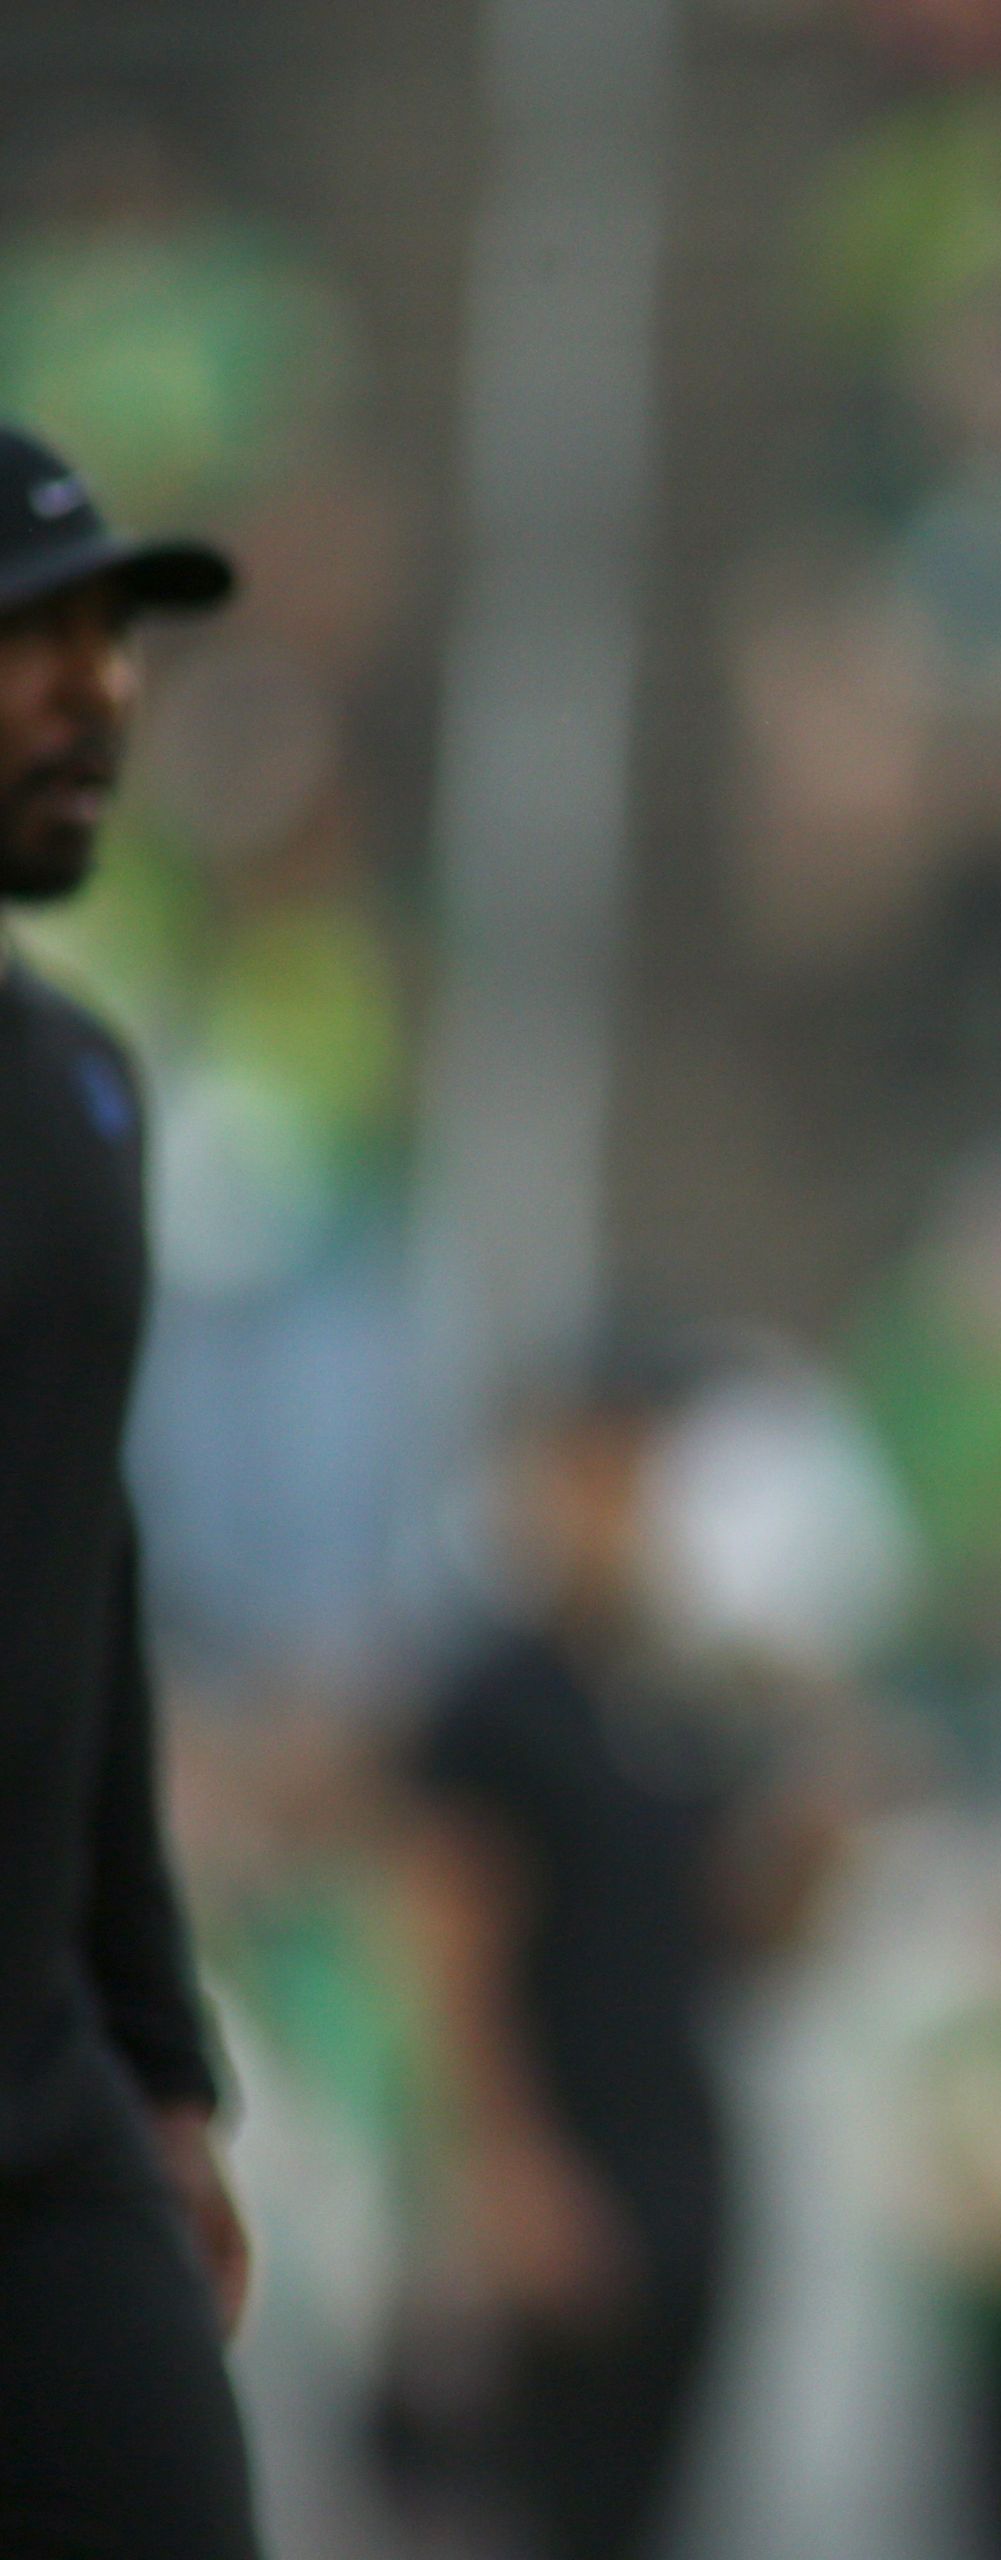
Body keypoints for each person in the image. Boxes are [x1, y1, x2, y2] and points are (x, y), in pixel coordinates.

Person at [0, 424, 260, 2560]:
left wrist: (162, 2065)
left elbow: (86, 1581)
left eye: (114, 640)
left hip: (34, 2087)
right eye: (32, 636)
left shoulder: (80, 1084)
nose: (99, 689)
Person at [398, 1352, 845, 2560]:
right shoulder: (493, 1701)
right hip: (563, 2142)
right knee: (544, 2500)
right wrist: (507, 2165)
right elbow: (450, 1947)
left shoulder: (675, 1701)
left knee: (659, 2500)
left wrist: (814, 1839)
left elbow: (737, 1945)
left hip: (678, 2138)